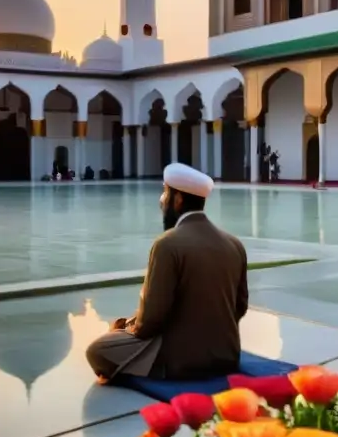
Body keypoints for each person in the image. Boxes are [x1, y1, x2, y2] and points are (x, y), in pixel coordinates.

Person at [86, 163, 249, 381]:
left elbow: (151, 321)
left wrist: (126, 329)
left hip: (181, 361)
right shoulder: (234, 244)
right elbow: (240, 306)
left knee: (97, 350)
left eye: (165, 192)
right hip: (227, 355)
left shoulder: (167, 244)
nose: (161, 200)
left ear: (178, 199)